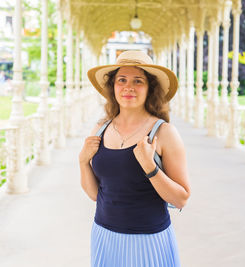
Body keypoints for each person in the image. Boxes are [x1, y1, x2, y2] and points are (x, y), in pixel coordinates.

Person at [79, 50, 190, 267]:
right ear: (113, 87)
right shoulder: (100, 129)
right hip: (105, 236)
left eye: (138, 81)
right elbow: (95, 194)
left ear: (150, 89)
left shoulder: (164, 132)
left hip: (148, 241)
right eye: (122, 80)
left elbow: (181, 199)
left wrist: (150, 167)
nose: (128, 87)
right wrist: (82, 161)